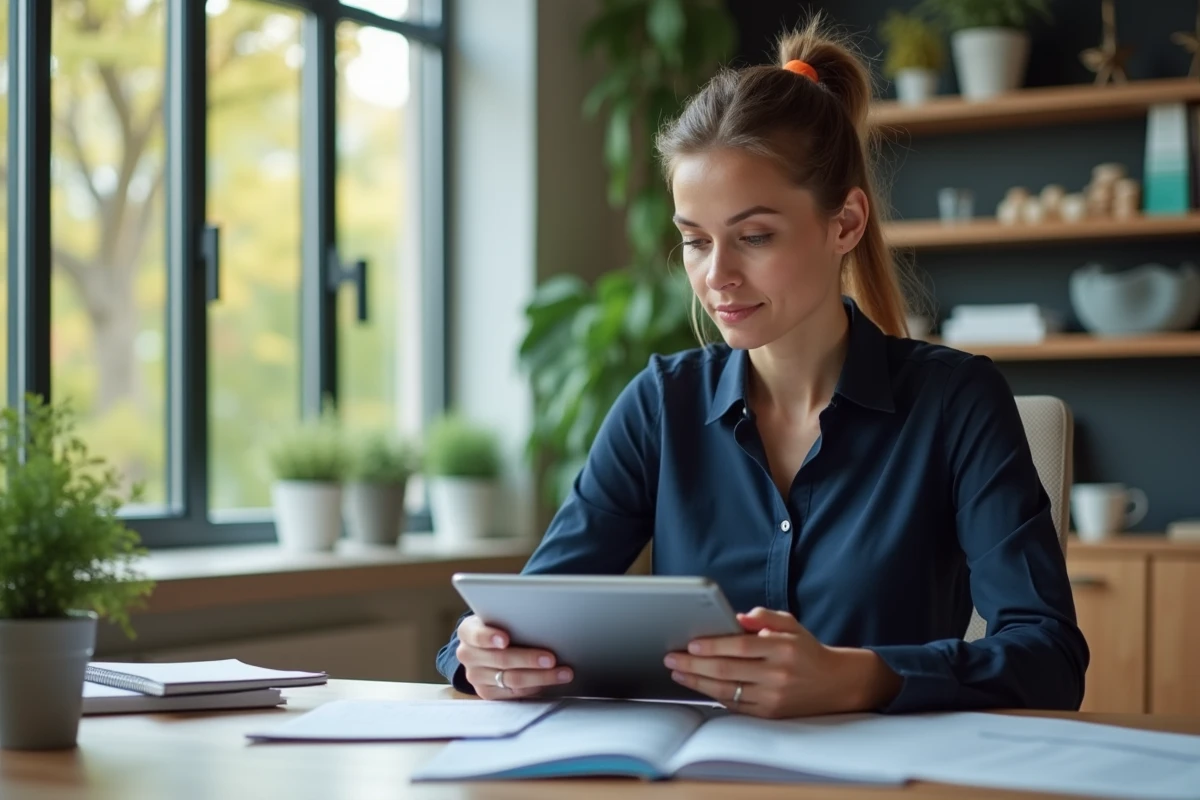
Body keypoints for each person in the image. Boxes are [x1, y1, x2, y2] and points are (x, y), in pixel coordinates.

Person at [436, 19, 1088, 719]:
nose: (716, 275)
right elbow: (524, 618)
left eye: (754, 236)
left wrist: (855, 677)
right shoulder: (661, 405)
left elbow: (1048, 656)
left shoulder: (956, 402)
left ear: (844, 223)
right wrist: (482, 653)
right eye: (694, 241)